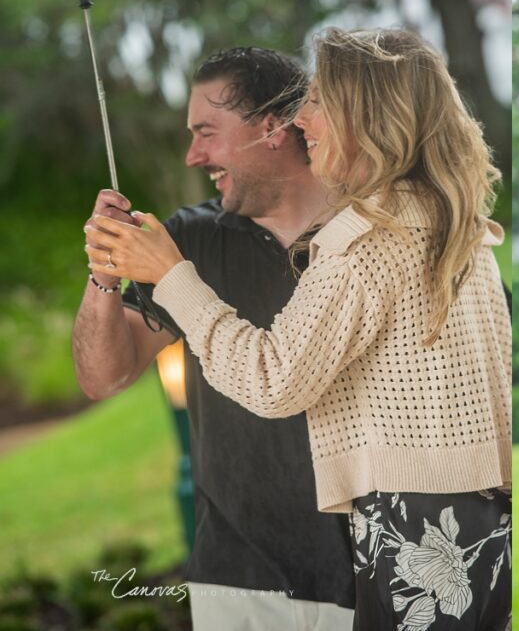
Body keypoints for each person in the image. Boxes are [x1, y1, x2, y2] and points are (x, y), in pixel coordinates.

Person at [87, 28, 513, 631]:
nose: (302, 118)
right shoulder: (458, 224)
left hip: (415, 528)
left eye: (316, 101)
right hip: (480, 521)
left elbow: (272, 380)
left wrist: (172, 275)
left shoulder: (364, 240)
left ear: (359, 116)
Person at [73, 47, 357, 630]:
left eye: (207, 132)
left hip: (372, 563)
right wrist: (105, 273)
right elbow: (104, 376)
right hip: (238, 580)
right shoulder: (189, 241)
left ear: (273, 128)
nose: (192, 154)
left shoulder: (365, 231)